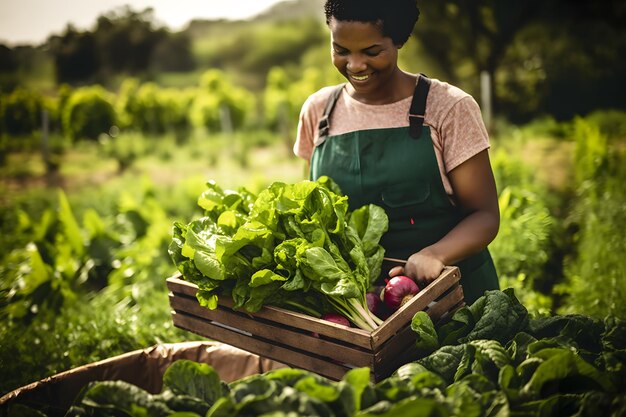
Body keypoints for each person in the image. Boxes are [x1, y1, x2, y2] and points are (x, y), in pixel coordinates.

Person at [293, 0, 500, 304]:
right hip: (360, 305)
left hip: (453, 297)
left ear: (399, 40)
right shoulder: (319, 111)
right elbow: (314, 209)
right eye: (341, 50)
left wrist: (435, 254)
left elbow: (484, 216)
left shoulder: (448, 107)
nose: (355, 65)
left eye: (372, 52)